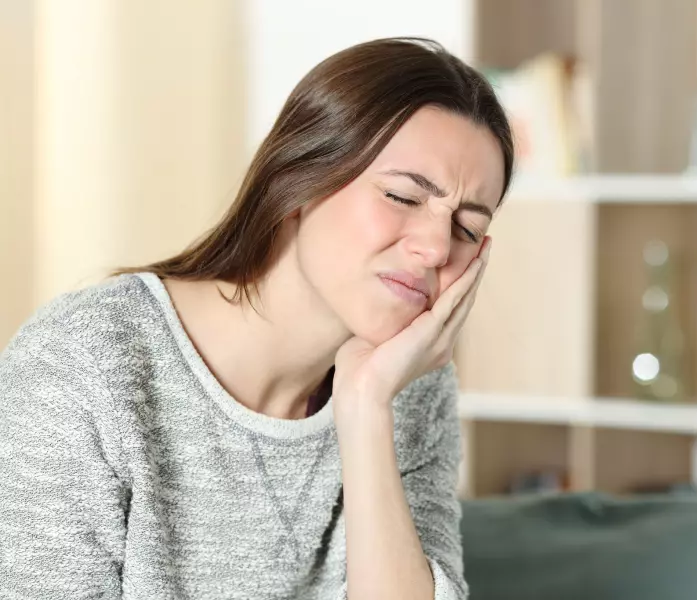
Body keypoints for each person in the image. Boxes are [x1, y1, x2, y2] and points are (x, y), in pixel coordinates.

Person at [0, 37, 513, 599]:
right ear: (299, 177)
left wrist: (366, 409)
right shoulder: (81, 364)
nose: (437, 248)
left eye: (466, 228)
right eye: (402, 197)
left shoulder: (404, 382)